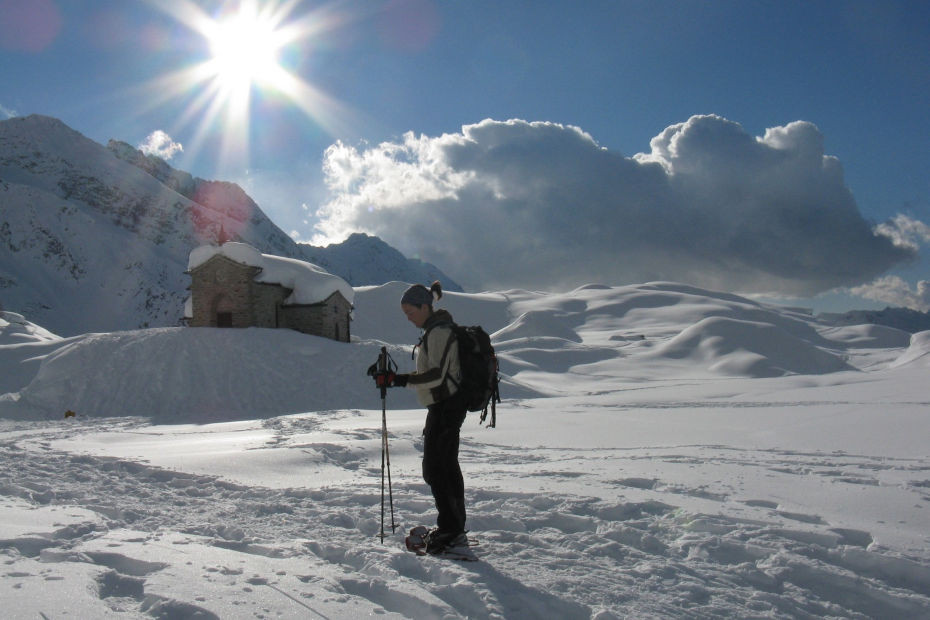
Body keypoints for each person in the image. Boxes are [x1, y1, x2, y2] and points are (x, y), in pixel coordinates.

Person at [381, 281, 468, 554]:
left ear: (424, 306)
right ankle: (453, 526)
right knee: (444, 465)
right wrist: (398, 380)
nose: (408, 317)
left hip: (447, 405)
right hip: (444, 406)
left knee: (436, 468)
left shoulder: (439, 332)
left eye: (410, 311)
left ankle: (451, 530)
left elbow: (437, 375)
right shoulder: (434, 330)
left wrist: (398, 380)